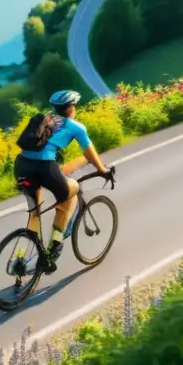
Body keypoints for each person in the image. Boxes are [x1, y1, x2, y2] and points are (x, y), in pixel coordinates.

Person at [15, 89, 111, 273]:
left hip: (21, 165)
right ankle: (54, 247)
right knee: (71, 193)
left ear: (55, 107)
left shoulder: (45, 120)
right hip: (44, 167)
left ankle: (19, 258)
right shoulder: (75, 127)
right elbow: (89, 153)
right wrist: (103, 170)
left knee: (34, 213)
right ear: (72, 107)